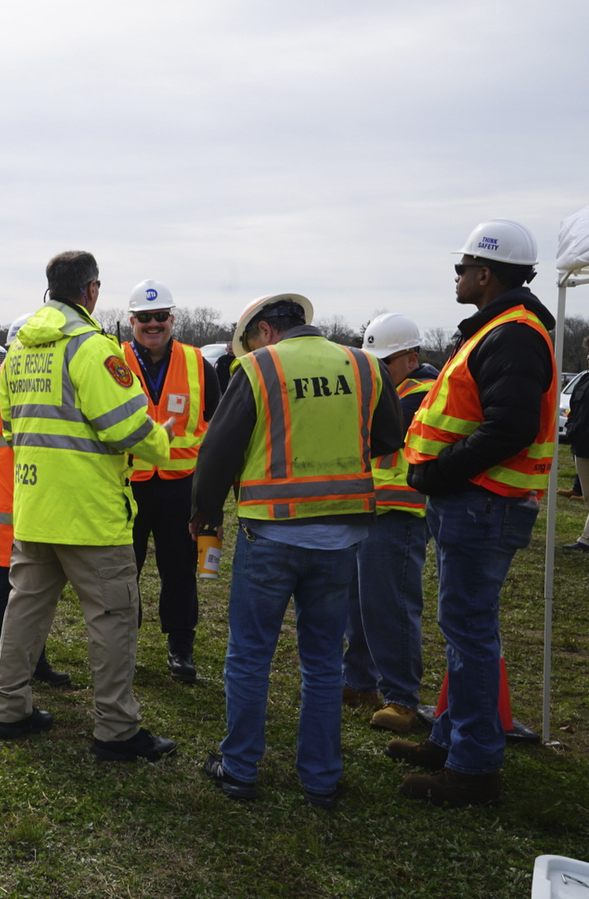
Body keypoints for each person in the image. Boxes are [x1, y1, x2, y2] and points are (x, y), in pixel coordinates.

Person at [192, 293, 403, 809]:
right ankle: (321, 779)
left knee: (249, 656)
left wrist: (204, 517)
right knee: (324, 661)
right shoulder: (366, 365)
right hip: (340, 540)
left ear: (264, 332)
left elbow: (218, 453)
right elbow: (388, 437)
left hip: (270, 535)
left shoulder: (259, 369)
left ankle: (240, 769)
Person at [389, 220, 556, 807]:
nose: (456, 277)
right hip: (476, 503)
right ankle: (449, 738)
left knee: (470, 634)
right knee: (464, 629)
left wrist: (439, 472)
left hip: (482, 503)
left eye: (461, 269)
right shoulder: (500, 329)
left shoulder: (512, 334)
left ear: (485, 275)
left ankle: (474, 766)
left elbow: (510, 426)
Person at [0, 251, 177, 763]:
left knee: (25, 609)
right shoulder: (92, 349)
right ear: (91, 291)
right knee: (113, 618)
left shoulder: (19, 351)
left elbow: (11, 425)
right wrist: (165, 442)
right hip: (92, 516)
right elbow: (127, 428)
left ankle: (9, 707)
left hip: (34, 507)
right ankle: (116, 730)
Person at [120, 279, 221, 680]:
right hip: (128, 483)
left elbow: (218, 430)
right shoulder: (113, 359)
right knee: (125, 570)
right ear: (132, 322)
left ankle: (181, 649)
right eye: (144, 318)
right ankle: (123, 645)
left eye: (160, 316)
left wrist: (211, 495)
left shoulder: (200, 364)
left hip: (182, 486)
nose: (153, 324)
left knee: (179, 570)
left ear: (172, 318)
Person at [342, 313, 438, 732]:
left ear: (411, 358)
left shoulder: (422, 391)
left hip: (398, 512)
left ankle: (401, 698)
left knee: (390, 605)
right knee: (359, 604)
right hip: (371, 507)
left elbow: (374, 432)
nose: (378, 370)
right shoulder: (393, 389)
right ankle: (359, 681)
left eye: (387, 361)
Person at [0, 313, 69, 688]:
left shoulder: (9, 388)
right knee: (8, 587)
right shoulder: (3, 392)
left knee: (32, 591)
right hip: (8, 504)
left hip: (20, 499)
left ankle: (32, 660)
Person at [561, 337, 589, 549]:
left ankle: (585, 540)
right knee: (587, 496)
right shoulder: (584, 380)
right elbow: (574, 410)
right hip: (581, 446)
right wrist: (571, 429)